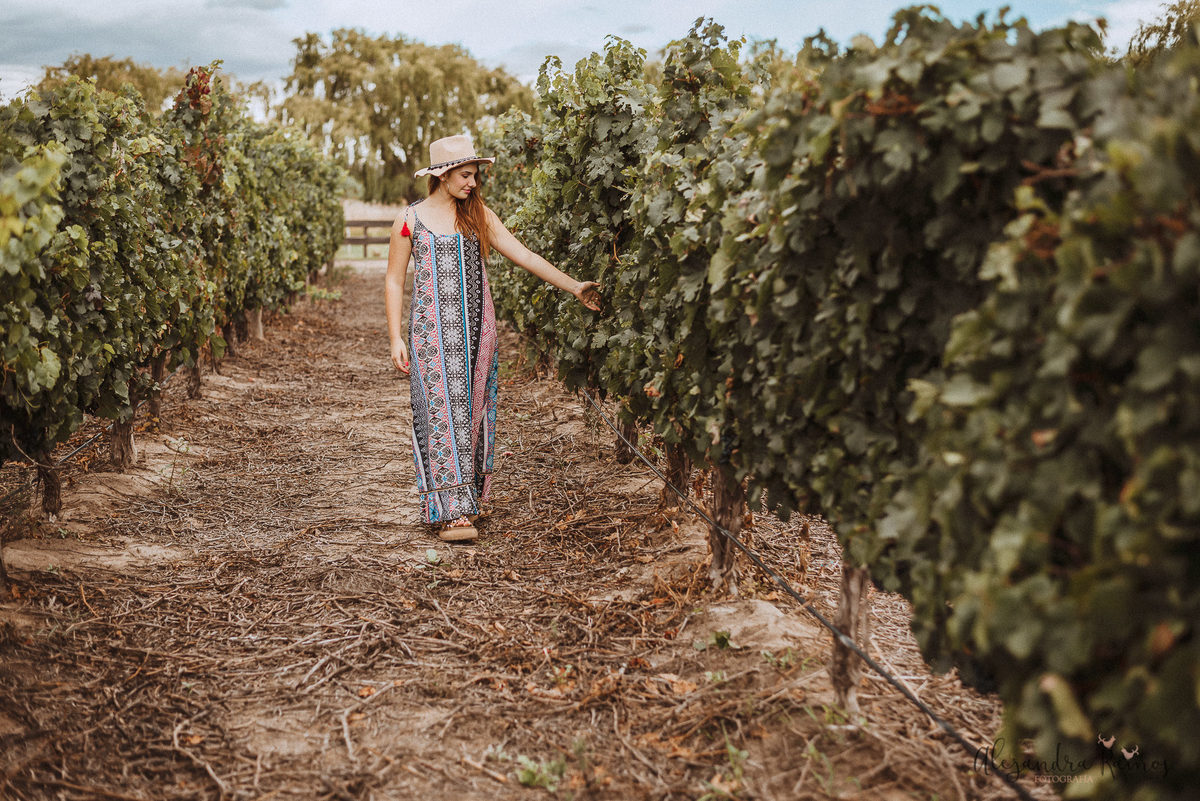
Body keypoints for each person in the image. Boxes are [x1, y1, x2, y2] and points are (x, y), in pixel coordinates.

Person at [385, 134, 601, 542]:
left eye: (475, 176)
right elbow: (395, 280)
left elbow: (525, 255)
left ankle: (468, 500)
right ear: (443, 175)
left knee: (472, 410)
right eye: (466, 175)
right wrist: (395, 336)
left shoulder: (478, 215)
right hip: (431, 333)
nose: (473, 183)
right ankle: (450, 512)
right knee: (439, 412)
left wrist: (574, 287)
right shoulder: (409, 220)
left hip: (478, 330)